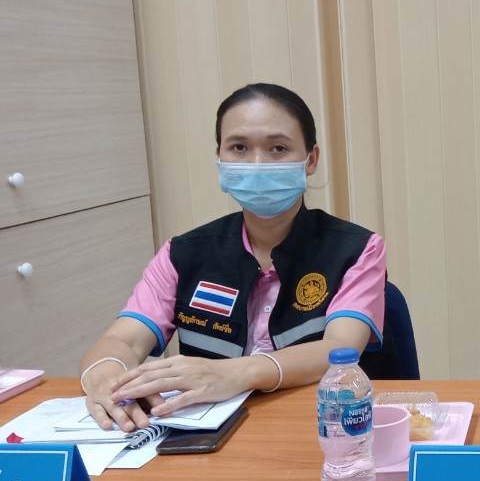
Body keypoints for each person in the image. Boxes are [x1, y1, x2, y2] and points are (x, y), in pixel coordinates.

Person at [79, 83, 387, 432]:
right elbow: (123, 340)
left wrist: (234, 373)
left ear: (310, 160)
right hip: (206, 437)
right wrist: (106, 377)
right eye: (239, 147)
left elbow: (339, 348)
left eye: (278, 148)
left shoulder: (357, 249)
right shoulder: (183, 253)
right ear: (220, 158)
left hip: (318, 429)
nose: (257, 164)